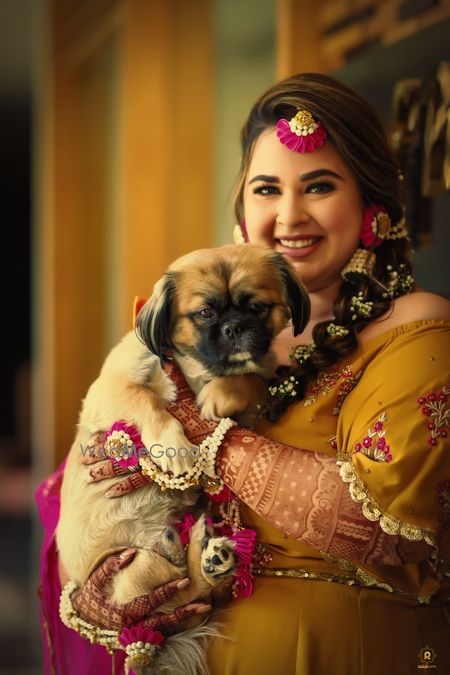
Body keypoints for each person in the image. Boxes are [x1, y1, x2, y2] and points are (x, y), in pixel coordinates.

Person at [37, 72, 450, 674]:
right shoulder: (193, 337)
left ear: (370, 202)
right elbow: (84, 485)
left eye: (319, 186)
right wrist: (97, 591)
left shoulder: (415, 327)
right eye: (265, 189)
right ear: (242, 207)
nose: (289, 214)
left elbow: (380, 524)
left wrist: (193, 435)